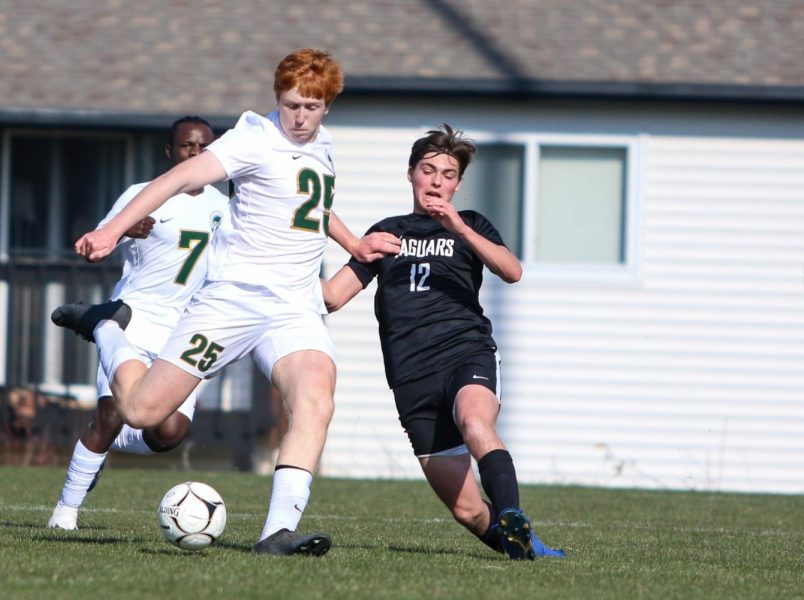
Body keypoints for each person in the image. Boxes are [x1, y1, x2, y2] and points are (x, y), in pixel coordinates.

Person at [50, 49, 400, 555]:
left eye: (312, 106)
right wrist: (112, 230)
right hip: (233, 301)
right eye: (291, 105)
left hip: (293, 305)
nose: (300, 117)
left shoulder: (321, 144)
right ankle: (105, 325)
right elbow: (177, 180)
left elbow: (313, 207)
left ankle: (276, 532)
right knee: (144, 412)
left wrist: (355, 246)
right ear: (277, 99)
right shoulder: (253, 138)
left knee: (316, 399)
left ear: (328, 105)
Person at [321, 124, 565, 560]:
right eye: (428, 170)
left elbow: (512, 271)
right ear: (411, 174)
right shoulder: (388, 232)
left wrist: (461, 229)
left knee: (476, 423)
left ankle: (513, 514)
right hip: (412, 378)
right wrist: (304, 243)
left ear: (457, 183)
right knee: (467, 511)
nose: (436, 181)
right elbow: (332, 297)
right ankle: (527, 551)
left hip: (465, 353)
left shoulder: (471, 224)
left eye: (448, 174)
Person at [48, 116, 229, 530]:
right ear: (171, 152)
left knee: (169, 433)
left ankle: (111, 441)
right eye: (187, 147)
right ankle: (65, 513)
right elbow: (96, 244)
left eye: (204, 147)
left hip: (184, 327)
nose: (196, 154)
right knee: (110, 415)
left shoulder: (225, 206)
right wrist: (128, 226)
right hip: (133, 315)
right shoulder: (143, 195)